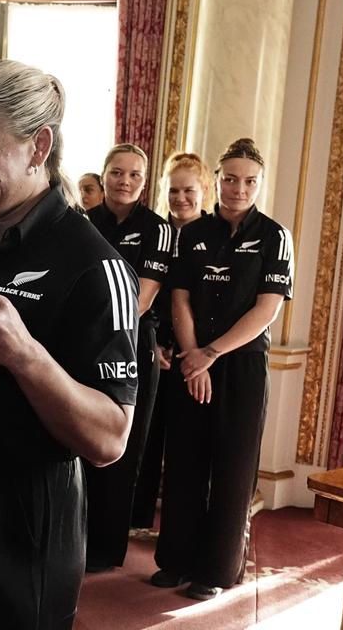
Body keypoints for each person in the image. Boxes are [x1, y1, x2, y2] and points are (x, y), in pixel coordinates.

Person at [0, 60, 137, 629]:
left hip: (24, 531)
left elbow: (110, 437)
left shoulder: (95, 266)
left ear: (38, 146)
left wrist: (24, 355)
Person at [152, 138, 293, 601]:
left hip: (240, 365)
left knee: (232, 469)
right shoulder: (191, 235)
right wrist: (193, 357)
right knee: (185, 463)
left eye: (249, 181)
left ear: (260, 183)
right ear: (216, 180)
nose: (238, 188)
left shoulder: (275, 236)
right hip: (194, 361)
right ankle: (175, 561)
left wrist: (210, 353)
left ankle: (216, 570)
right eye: (229, 179)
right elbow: (179, 299)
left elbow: (267, 309)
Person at [82, 143, 173, 573]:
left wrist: (93, 322)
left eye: (134, 175)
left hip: (133, 344)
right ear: (103, 176)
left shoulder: (158, 229)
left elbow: (143, 297)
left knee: (122, 449)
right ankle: (75, 539)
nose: (125, 181)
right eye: (117, 172)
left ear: (144, 181)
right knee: (81, 440)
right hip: (83, 342)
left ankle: (105, 550)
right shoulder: (84, 222)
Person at [131, 152, 214, 528]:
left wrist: (190, 352)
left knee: (190, 450)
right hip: (154, 349)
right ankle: (139, 519)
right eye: (174, 190)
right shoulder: (157, 232)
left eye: (189, 190)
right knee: (146, 442)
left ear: (205, 192)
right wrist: (157, 347)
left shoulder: (213, 236)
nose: (181, 198)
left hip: (200, 355)